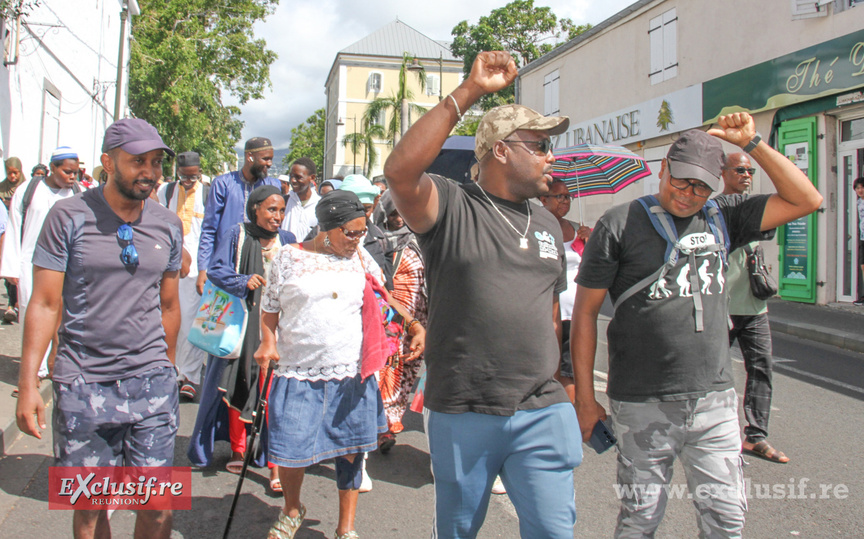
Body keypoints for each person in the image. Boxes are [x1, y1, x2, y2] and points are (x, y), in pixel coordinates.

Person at [573, 119, 822, 537]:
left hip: (714, 402)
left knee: (727, 521)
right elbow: (584, 315)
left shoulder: (724, 216)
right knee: (639, 520)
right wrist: (585, 397)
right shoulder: (618, 225)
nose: (689, 195)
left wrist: (752, 143)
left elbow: (807, 199)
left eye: (702, 187)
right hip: (641, 402)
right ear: (663, 169)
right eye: (682, 181)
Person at [383, 51, 582, 538]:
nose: (550, 157)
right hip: (464, 408)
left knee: (555, 532)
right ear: (500, 150)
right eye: (538, 146)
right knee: (456, 532)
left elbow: (550, 311)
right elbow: (400, 173)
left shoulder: (549, 225)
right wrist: (470, 90)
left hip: (540, 407)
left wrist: (563, 386)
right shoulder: (452, 205)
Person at [15, 118, 182, 539]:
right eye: (137, 161)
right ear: (108, 162)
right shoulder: (67, 216)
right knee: (91, 509)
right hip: (83, 383)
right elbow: (45, 302)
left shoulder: (168, 224)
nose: (149, 171)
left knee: (157, 507)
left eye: (156, 162)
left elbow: (168, 304)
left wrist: (169, 370)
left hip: (151, 384)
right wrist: (30, 383)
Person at [254, 189, 425, 539]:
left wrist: (414, 324)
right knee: (291, 451)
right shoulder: (288, 257)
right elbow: (270, 308)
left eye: (362, 232)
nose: (357, 239)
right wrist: (268, 343)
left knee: (351, 450)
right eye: (351, 232)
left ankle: (346, 527)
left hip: (350, 373)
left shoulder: (360, 257)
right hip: (297, 371)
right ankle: (292, 509)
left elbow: (384, 295)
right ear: (326, 227)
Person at [187, 185, 295, 492]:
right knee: (240, 382)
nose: (278, 216)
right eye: (272, 209)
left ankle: (274, 463)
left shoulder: (287, 241)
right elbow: (216, 271)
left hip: (278, 327)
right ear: (256, 209)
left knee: (273, 390)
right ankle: (238, 446)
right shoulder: (237, 235)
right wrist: (243, 280)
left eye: (282, 210)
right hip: (242, 322)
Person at [721, 152, 788, 464]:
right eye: (740, 170)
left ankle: (756, 436)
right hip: (721, 307)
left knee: (761, 367)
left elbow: (789, 201)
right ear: (723, 173)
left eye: (750, 170)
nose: (747, 175)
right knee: (713, 371)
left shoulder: (756, 210)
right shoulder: (715, 209)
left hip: (754, 307)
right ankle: (713, 434)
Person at [1, 147, 82, 381]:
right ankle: (33, 372)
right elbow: (15, 226)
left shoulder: (78, 194)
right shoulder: (29, 190)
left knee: (63, 317)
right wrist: (11, 267)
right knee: (31, 314)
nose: (72, 177)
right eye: (67, 172)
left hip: (66, 266)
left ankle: (56, 364)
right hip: (30, 263)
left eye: (75, 172)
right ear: (53, 168)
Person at [196, 136, 279, 295]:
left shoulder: (272, 186)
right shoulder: (223, 184)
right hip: (226, 266)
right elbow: (209, 229)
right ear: (249, 157)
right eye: (265, 159)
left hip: (259, 264)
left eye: (271, 159)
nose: (269, 163)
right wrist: (202, 268)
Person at [156, 151, 209, 399]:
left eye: (193, 177)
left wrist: (206, 270)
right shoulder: (165, 192)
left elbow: (211, 234)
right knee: (168, 320)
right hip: (169, 267)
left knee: (192, 322)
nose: (188, 182)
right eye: (184, 177)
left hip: (197, 272)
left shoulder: (208, 194)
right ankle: (170, 370)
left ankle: (189, 376)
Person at [538, 179, 591, 405]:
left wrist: (590, 242)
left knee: (575, 371)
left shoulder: (576, 229)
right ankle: (569, 420)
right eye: (559, 196)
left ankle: (572, 418)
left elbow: (590, 269)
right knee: (555, 371)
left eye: (568, 196)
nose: (565, 201)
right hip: (549, 313)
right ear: (543, 199)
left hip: (578, 312)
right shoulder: (536, 228)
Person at [1, 156, 24, 322]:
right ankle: (11, 303)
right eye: (9, 173)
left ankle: (16, 303)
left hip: (22, 233)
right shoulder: (1, 188)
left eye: (15, 173)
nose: (13, 177)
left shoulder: (25, 189)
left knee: (18, 270)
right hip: (6, 232)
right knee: (8, 269)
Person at [280, 157, 320, 241]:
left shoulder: (320, 205)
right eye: (291, 176)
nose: (293, 181)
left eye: (298, 177)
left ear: (312, 178)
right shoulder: (284, 202)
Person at [855, 176, 864, 306]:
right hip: (863, 237)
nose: (860, 190)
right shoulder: (859, 203)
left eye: (862, 187)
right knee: (863, 267)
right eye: (857, 188)